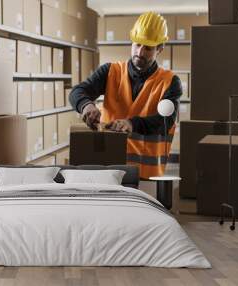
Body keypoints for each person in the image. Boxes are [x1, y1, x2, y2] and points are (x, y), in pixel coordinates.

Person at [69, 12, 182, 179]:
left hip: (147, 177)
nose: (140, 52)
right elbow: (77, 91)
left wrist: (131, 124)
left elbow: (165, 121)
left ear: (160, 48)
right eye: (137, 45)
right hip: (109, 171)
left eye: (148, 48)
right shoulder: (110, 72)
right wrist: (87, 106)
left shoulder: (170, 81)